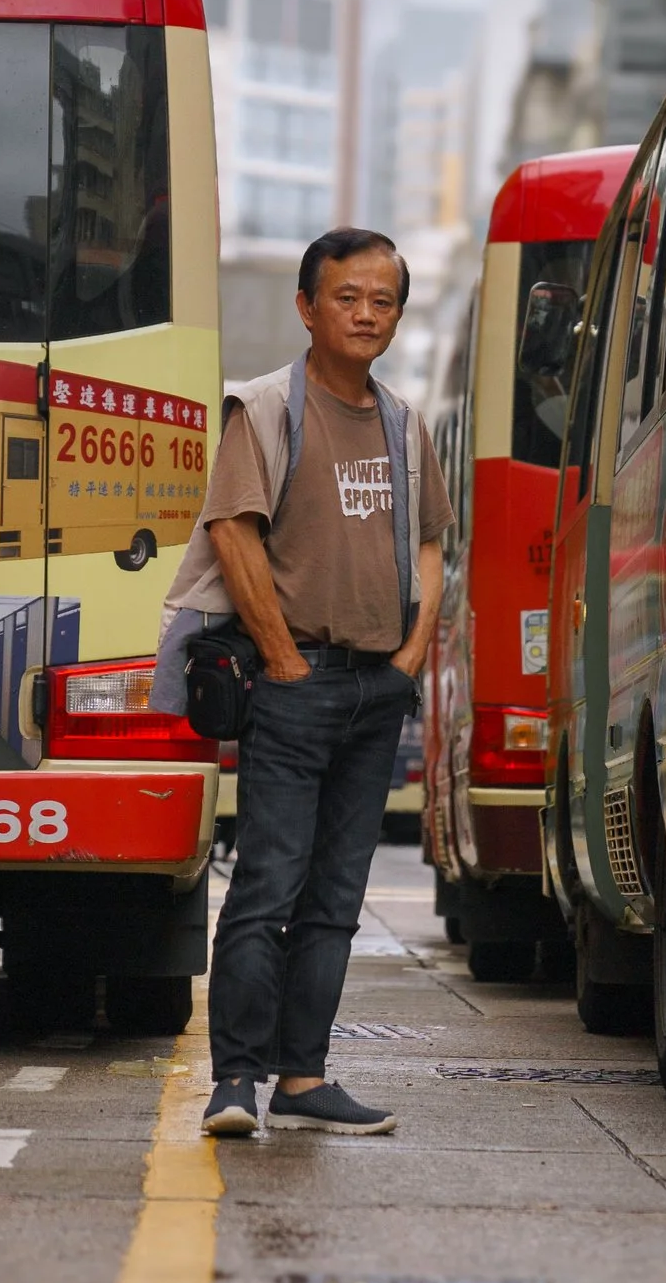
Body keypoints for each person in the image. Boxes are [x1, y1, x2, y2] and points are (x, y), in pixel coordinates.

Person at [147, 229, 449, 1135]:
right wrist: (279, 657)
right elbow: (234, 533)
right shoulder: (267, 408)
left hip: (375, 688)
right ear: (307, 307)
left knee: (336, 899)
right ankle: (235, 1080)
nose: (365, 314)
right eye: (347, 296)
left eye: (383, 301)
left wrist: (407, 662)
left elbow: (433, 546)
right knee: (268, 887)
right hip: (295, 680)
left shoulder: (401, 421)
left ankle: (305, 1079)